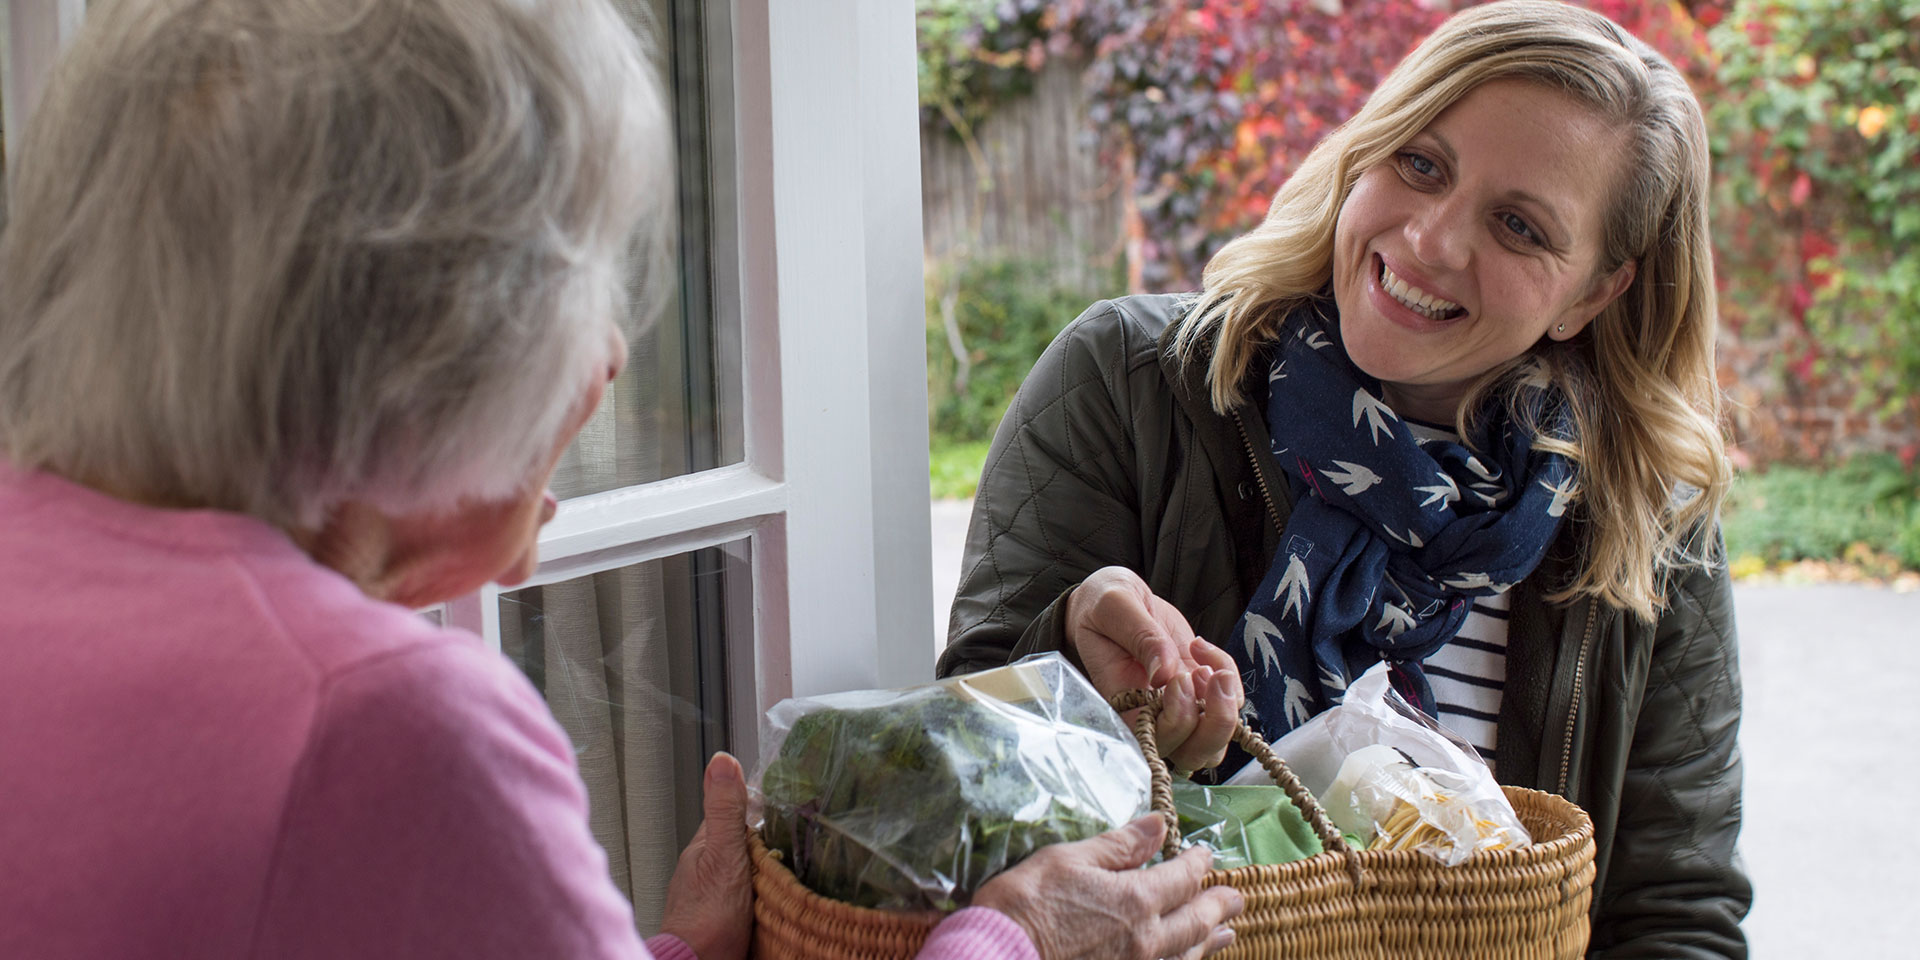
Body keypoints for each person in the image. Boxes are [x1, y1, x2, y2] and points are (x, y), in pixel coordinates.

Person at [0, 1, 1243, 959]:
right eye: (585, 271)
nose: (606, 360)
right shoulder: (388, 725)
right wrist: (1018, 936)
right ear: (425, 333)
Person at [938, 1, 1751, 955]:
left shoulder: (1647, 519)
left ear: (1593, 292)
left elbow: (1674, 911)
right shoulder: (1129, 385)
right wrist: (1075, 656)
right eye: (1421, 163)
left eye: (1521, 227)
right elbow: (957, 780)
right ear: (1366, 151)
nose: (1433, 242)